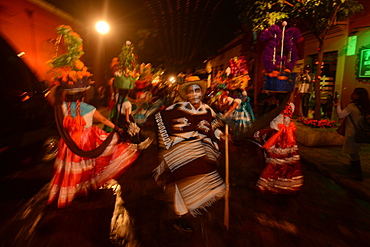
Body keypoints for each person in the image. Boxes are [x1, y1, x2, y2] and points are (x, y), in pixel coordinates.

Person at [45, 82, 150, 208]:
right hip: (84, 140)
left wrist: (59, 86)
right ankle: (83, 189)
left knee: (69, 167)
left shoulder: (61, 107)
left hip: (68, 141)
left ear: (66, 96)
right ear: (82, 97)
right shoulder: (89, 108)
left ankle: (69, 192)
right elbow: (104, 120)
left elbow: (49, 97)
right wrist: (117, 128)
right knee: (84, 165)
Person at [153, 76, 225, 232]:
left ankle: (193, 204)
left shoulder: (208, 109)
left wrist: (221, 135)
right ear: (186, 94)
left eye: (196, 90)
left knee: (203, 179)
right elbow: (161, 120)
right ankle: (181, 216)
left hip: (202, 152)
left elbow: (214, 127)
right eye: (190, 91)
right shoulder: (176, 109)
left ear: (201, 92)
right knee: (181, 182)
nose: (194, 94)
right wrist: (169, 145)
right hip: (183, 153)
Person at [253, 100, 303, 194]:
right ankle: (282, 184)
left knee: (274, 162)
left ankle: (269, 184)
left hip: (277, 137)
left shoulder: (276, 109)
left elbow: (269, 121)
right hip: (287, 138)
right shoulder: (290, 105)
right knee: (286, 163)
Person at [334, 87, 370, 181]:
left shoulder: (352, 106)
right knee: (355, 152)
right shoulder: (366, 106)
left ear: (358, 96)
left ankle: (357, 174)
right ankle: (353, 171)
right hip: (361, 132)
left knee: (353, 153)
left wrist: (338, 105)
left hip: (352, 133)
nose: (352, 95)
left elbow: (340, 115)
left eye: (354, 93)